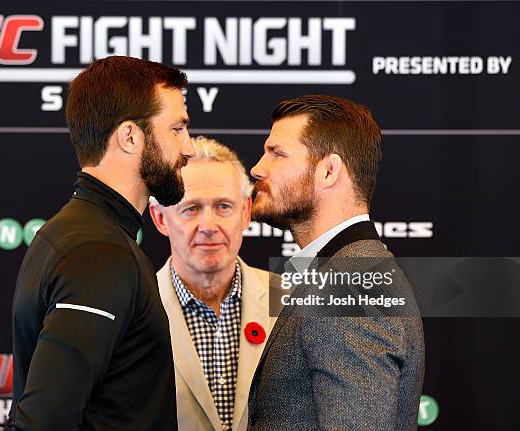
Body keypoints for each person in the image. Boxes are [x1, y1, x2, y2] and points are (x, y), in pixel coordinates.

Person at [6, 56, 194, 431]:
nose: (188, 147)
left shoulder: (83, 236)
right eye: (177, 129)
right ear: (129, 137)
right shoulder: (99, 252)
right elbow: (44, 422)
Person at [247, 95, 425, 430]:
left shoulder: (349, 285)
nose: (257, 168)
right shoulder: (340, 273)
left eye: (277, 154)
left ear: (329, 170)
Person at [149, 136, 275, 431]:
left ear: (245, 212)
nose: (208, 226)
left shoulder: (292, 301)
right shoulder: (132, 309)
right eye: (190, 208)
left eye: (223, 206)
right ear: (160, 218)